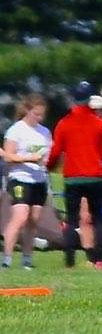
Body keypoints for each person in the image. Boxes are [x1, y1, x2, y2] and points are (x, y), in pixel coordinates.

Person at [44, 84, 102, 269]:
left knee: (73, 219)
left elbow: (56, 151)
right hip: (95, 176)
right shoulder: (99, 124)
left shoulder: (64, 123)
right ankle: (99, 259)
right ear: (90, 99)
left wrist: (49, 166)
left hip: (73, 177)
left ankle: (69, 261)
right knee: (97, 218)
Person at [3, 94, 51, 270]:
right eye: (36, 114)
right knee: (20, 216)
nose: (39, 118)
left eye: (42, 115)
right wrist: (29, 158)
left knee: (34, 219)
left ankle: (27, 258)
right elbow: (8, 156)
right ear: (28, 111)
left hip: (39, 179)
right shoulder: (16, 130)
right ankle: (7, 258)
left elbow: (47, 155)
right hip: (20, 178)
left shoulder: (44, 132)